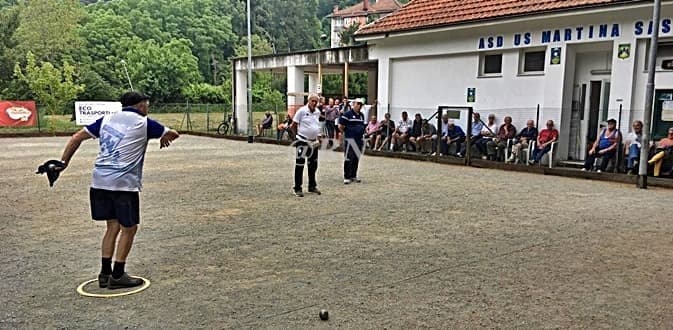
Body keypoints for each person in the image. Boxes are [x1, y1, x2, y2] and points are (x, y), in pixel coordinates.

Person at [56, 91, 179, 289]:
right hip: (123, 184)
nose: (148, 107)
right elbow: (174, 133)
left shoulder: (106, 119)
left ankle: (104, 273)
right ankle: (118, 274)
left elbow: (76, 137)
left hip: (99, 181)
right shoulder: (144, 122)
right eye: (146, 104)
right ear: (140, 105)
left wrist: (63, 163)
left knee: (112, 227)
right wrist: (164, 138)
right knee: (129, 229)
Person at [291, 93, 323, 197]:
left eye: (316, 101)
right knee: (300, 164)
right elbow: (294, 125)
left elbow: (316, 125)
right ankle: (297, 187)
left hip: (313, 141)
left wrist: (318, 135)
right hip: (302, 140)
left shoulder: (317, 112)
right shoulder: (301, 111)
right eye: (312, 101)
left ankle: (312, 186)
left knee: (313, 164)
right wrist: (296, 137)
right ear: (308, 101)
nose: (314, 103)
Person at [339, 98, 367, 184]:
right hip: (350, 139)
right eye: (357, 104)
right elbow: (341, 126)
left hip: (359, 139)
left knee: (356, 158)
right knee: (349, 158)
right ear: (353, 104)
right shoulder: (347, 114)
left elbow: (363, 126)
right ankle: (347, 176)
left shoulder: (361, 115)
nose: (359, 106)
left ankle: (353, 175)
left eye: (360, 104)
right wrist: (348, 133)